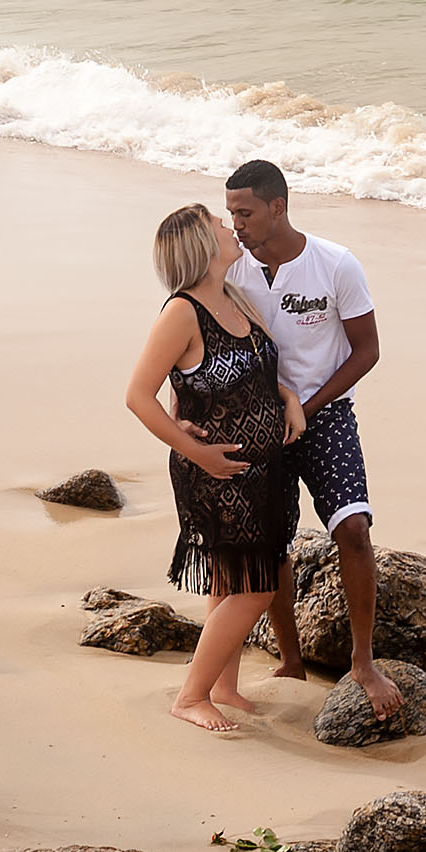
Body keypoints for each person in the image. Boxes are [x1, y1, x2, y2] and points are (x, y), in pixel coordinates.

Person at [223, 160, 403, 721]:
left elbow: (367, 349)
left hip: (326, 416)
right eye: (231, 214)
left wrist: (310, 406)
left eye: (245, 213)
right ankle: (292, 659)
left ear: (279, 206)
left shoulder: (335, 263)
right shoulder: (231, 272)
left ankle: (363, 661)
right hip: (261, 422)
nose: (237, 226)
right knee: (271, 543)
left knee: (353, 527)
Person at [125, 203, 305, 732]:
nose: (232, 228)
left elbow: (256, 371)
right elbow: (139, 396)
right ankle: (190, 695)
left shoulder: (235, 298)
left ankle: (223, 686)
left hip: (264, 469)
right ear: (201, 248)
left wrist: (289, 398)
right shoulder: (181, 313)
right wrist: (194, 449)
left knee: (231, 580)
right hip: (217, 473)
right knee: (258, 585)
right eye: (219, 225)